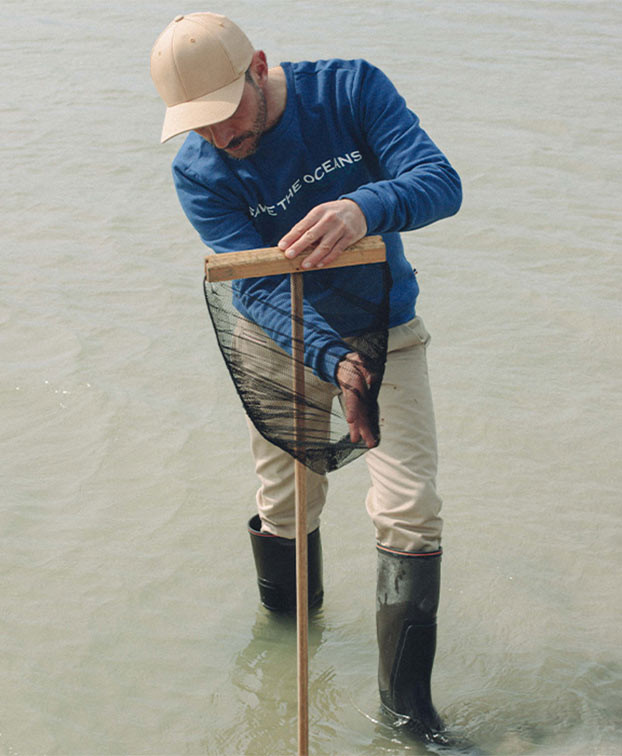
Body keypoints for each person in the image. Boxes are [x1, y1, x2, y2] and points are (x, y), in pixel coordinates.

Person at [150, 11, 462, 744]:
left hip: (386, 326)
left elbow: (440, 183)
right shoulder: (198, 171)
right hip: (278, 341)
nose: (221, 139)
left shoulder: (351, 90)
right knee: (287, 507)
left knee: (412, 510)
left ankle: (407, 718)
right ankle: (285, 656)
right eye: (199, 126)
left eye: (227, 115)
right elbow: (253, 287)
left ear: (258, 66)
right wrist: (334, 361)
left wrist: (364, 206)